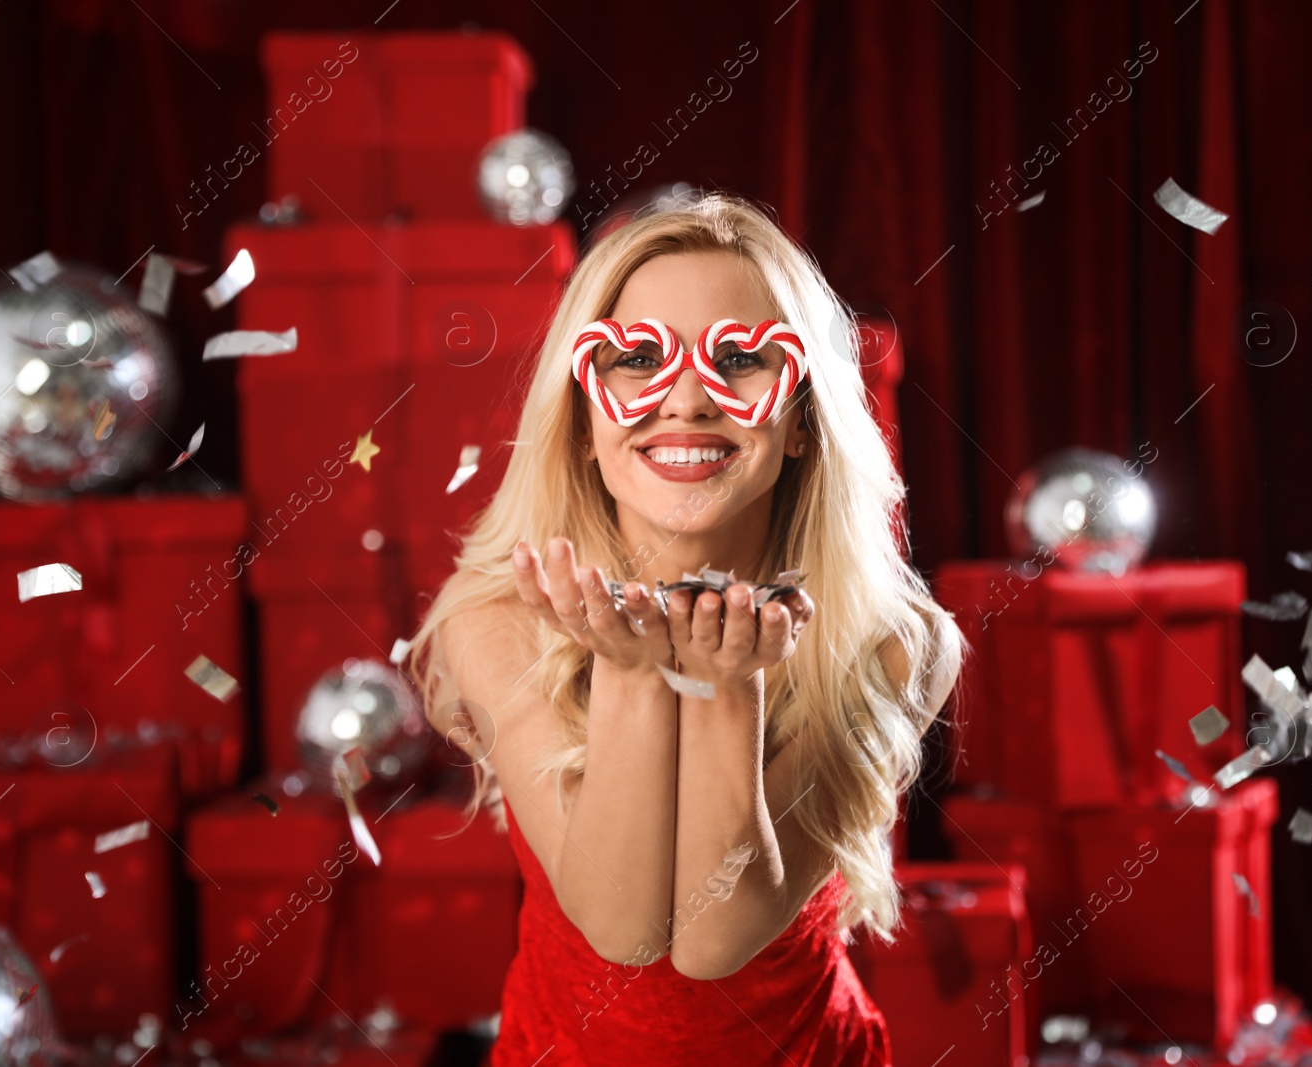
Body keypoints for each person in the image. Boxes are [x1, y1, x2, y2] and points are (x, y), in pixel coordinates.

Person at [407, 192, 963, 1066]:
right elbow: (623, 928)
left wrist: (721, 684)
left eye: (741, 359)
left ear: (804, 426)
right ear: (585, 424)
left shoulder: (891, 642)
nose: (689, 400)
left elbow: (714, 937)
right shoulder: (501, 622)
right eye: (635, 358)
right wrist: (632, 674)